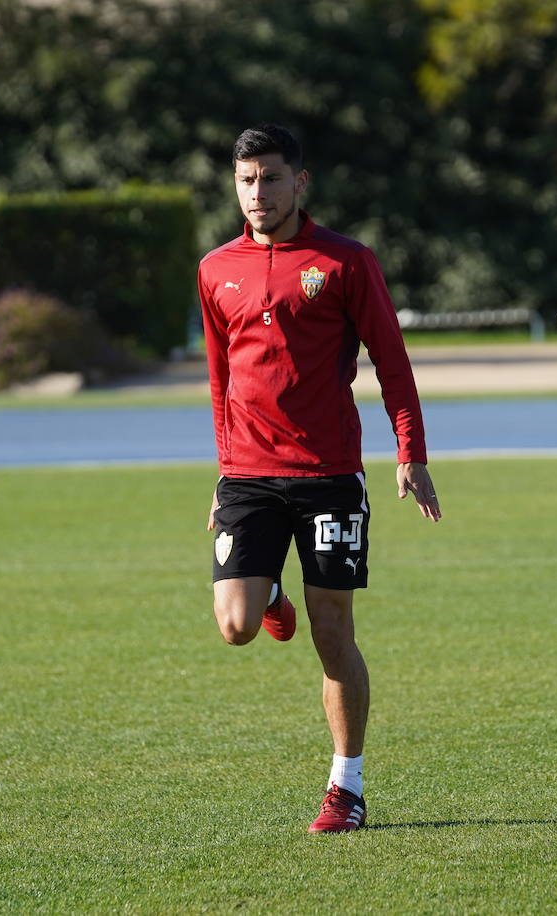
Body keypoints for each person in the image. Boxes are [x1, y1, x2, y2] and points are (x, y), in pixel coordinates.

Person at [197, 124, 441, 834]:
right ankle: (269, 588)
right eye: (246, 180)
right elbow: (220, 378)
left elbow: (392, 361)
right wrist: (222, 470)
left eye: (271, 178)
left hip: (329, 475)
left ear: (300, 183)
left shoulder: (345, 262)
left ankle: (348, 789)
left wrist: (410, 452)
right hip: (248, 475)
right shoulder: (216, 269)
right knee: (238, 626)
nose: (257, 193)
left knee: (333, 634)